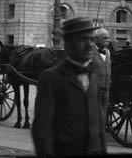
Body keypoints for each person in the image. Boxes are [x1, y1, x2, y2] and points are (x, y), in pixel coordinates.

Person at [32, 17, 107, 157]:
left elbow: (98, 124)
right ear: (69, 45)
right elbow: (42, 129)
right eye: (83, 39)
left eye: (91, 39)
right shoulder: (51, 78)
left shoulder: (93, 77)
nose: (89, 45)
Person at [91, 28, 112, 127]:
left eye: (108, 38)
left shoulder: (108, 52)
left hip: (106, 87)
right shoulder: (89, 52)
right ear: (96, 39)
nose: (107, 41)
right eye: (104, 38)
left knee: (104, 110)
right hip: (95, 88)